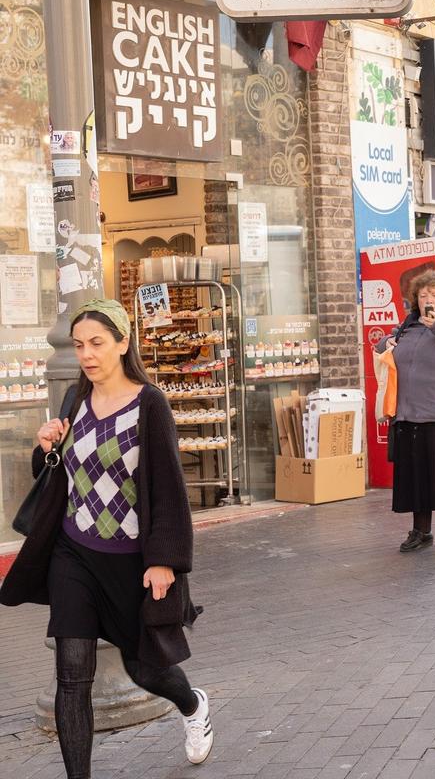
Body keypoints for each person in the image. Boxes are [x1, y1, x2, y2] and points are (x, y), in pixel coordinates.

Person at [0, 299, 212, 777]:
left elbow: (170, 490)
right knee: (72, 677)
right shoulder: (75, 400)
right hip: (73, 554)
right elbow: (63, 475)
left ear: (122, 342)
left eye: (97, 343)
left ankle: (192, 704)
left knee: (144, 670)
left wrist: (165, 560)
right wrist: (46, 447)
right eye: (79, 346)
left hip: (130, 559)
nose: (87, 354)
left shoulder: (148, 403)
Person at [375, 271, 435, 554]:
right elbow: (384, 346)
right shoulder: (409, 325)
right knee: (418, 478)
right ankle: (421, 532)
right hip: (409, 412)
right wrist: (385, 344)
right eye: (422, 295)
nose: (428, 300)